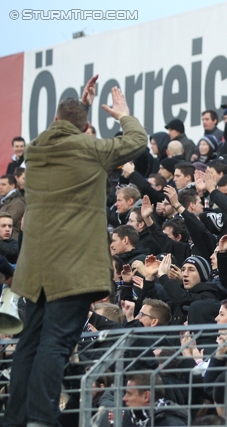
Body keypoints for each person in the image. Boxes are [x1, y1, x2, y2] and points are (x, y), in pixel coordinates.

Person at [5, 76, 148, 426]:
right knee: (56, 342)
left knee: (30, 342)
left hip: (35, 268)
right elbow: (138, 141)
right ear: (86, 128)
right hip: (72, 268)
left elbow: (60, 129)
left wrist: (81, 108)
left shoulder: (35, 152)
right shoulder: (92, 150)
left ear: (55, 121)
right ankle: (41, 417)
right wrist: (123, 115)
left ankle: (16, 418)